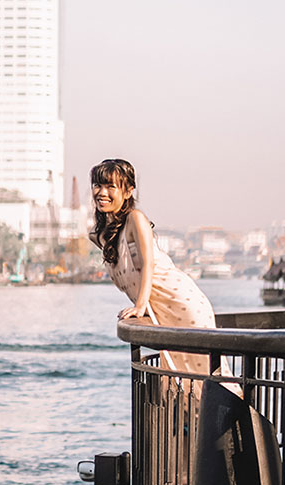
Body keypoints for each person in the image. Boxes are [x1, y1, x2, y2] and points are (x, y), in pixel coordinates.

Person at [90, 157, 220, 381]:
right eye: (97, 185)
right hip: (158, 312)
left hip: (181, 303)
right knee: (183, 382)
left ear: (128, 191)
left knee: (207, 378)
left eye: (110, 186)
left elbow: (147, 263)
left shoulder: (135, 219)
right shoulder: (99, 236)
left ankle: (241, 416)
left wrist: (140, 306)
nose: (102, 192)